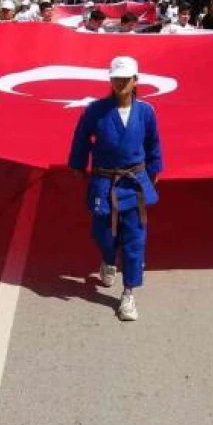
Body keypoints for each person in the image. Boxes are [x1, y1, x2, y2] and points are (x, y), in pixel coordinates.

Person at [68, 56, 163, 322]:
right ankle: (108, 259)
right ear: (110, 79)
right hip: (104, 181)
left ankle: (129, 293)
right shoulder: (95, 110)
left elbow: (153, 142)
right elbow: (81, 139)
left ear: (136, 81)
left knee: (135, 239)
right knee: (102, 233)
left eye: (126, 78)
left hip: (134, 182)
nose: (121, 82)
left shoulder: (146, 111)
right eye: (116, 78)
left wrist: (155, 168)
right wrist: (78, 163)